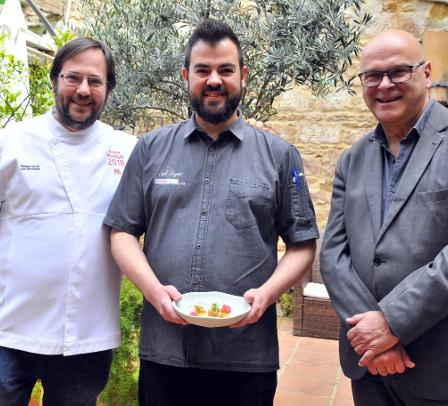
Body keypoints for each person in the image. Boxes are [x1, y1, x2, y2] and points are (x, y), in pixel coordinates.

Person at [104, 18, 318, 406]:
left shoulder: (280, 155)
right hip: (165, 352)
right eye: (203, 70)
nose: (214, 80)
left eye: (225, 70)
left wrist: (268, 295)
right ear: (187, 76)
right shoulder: (150, 150)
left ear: (243, 76)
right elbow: (121, 232)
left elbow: (303, 244)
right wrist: (153, 292)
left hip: (246, 356)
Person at [0, 37, 137, 405]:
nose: (83, 90)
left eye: (95, 81)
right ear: (54, 81)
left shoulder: (126, 150)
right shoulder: (11, 142)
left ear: (108, 89)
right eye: (73, 78)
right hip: (5, 327)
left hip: (86, 332)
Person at [320, 29, 448, 405]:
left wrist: (391, 323)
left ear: (426, 73)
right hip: (372, 367)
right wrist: (374, 337)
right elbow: (334, 255)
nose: (385, 85)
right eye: (372, 76)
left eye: (399, 72)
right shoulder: (352, 160)